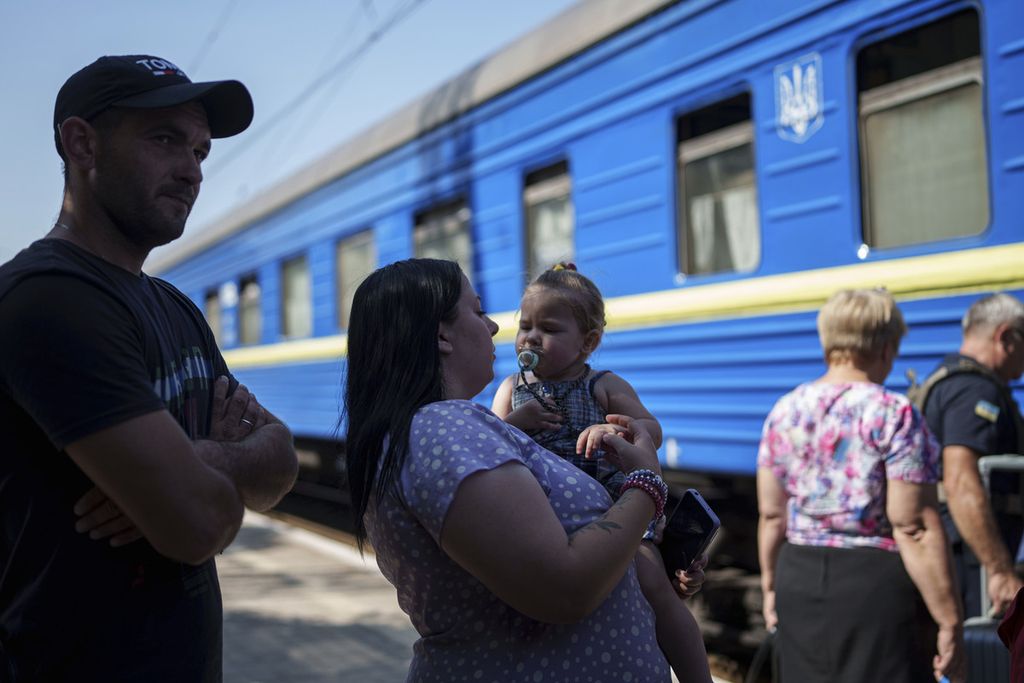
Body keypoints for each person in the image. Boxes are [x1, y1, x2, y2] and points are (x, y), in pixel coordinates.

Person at [0, 55, 298, 681]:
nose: (191, 170)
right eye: (165, 140)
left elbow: (282, 465)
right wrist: (209, 474)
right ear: (82, 144)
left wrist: (206, 462)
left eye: (200, 151)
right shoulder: (47, 299)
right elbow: (200, 523)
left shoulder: (174, 308)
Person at [344, 258, 705, 682]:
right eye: (478, 312)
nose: (495, 327)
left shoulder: (439, 429)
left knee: (659, 588)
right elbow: (565, 587)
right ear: (442, 334)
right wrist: (646, 485)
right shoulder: (445, 428)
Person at [490, 263, 711, 682]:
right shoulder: (510, 389)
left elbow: (653, 429)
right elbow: (490, 445)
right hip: (539, 511)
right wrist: (518, 422)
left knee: (653, 583)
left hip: (613, 508)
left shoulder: (604, 385)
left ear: (587, 342)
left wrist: (615, 426)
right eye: (525, 326)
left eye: (549, 329)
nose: (531, 337)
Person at [757, 288, 965, 683]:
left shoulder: (785, 410)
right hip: (874, 586)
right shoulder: (894, 413)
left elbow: (771, 515)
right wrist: (949, 619)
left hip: (797, 574)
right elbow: (914, 526)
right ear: (886, 347)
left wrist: (771, 587)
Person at [914, 293, 1024, 618]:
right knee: (982, 659)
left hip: (961, 547)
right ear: (1005, 337)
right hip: (971, 557)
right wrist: (1000, 570)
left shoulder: (948, 378)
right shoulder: (976, 391)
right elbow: (961, 481)